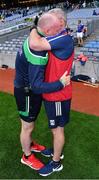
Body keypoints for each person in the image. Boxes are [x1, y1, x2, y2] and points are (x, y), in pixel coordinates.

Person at [14, 12, 70, 171]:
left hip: (28, 90)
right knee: (27, 127)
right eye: (56, 30)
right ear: (47, 31)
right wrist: (60, 84)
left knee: (29, 125)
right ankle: (26, 156)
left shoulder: (36, 34)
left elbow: (37, 28)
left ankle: (30, 145)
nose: (58, 33)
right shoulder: (37, 51)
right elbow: (37, 86)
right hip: (27, 92)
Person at [29, 8, 74, 176]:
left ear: (61, 22)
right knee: (55, 128)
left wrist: (34, 28)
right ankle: (57, 150)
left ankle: (56, 162)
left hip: (58, 95)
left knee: (57, 130)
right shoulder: (58, 37)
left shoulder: (64, 38)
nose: (49, 24)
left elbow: (35, 43)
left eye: (52, 20)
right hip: (54, 93)